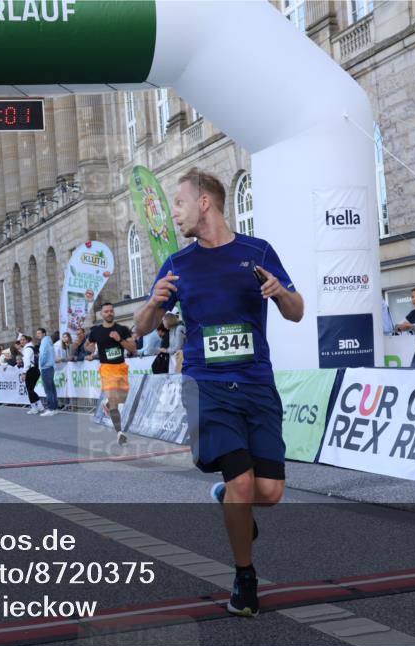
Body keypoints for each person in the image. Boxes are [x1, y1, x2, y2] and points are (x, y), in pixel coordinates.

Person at [134, 167, 303, 617]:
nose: (175, 215)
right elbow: (142, 329)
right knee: (242, 481)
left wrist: (279, 292)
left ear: (205, 202)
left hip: (256, 384)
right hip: (207, 387)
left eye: (180, 204)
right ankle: (245, 577)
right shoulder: (177, 264)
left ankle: (228, 500)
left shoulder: (257, 251)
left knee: (268, 492)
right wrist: (153, 303)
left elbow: (297, 311)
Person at [86, 303, 137, 444]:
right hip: (107, 369)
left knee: (123, 398)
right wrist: (90, 349)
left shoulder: (122, 329)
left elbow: (133, 348)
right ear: (101, 314)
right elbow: (87, 345)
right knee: (115, 401)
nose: (109, 313)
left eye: (111, 311)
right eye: (106, 311)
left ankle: (107, 406)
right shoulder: (96, 331)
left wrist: (119, 340)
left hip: (121, 367)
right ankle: (120, 433)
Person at [37, 328, 58, 416]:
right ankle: (54, 408)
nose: (38, 335)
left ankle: (51, 408)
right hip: (50, 366)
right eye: (37, 333)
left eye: (39, 333)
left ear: (44, 333)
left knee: (48, 389)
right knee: (52, 389)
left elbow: (43, 354)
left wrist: (41, 364)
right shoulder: (49, 341)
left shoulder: (44, 342)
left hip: (46, 367)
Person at [19, 334, 42, 414]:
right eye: (21, 340)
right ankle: (39, 406)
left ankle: (34, 408)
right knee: (31, 389)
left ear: (27, 340)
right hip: (36, 370)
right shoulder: (33, 348)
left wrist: (24, 372)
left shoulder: (27, 349)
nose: (21, 341)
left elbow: (27, 363)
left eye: (23, 340)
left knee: (29, 390)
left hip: (31, 370)